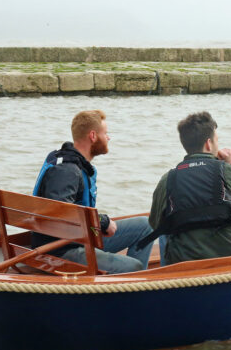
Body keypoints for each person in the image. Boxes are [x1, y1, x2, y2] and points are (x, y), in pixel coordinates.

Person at [32, 109, 153, 274]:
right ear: (93, 136)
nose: (108, 138)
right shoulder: (67, 171)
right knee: (133, 267)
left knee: (145, 226)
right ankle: (131, 287)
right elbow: (58, 215)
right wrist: (102, 222)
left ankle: (129, 285)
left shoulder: (70, 162)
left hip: (80, 238)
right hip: (62, 250)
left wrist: (97, 225)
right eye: (106, 133)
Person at [146, 111, 231, 265]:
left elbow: (155, 223)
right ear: (208, 144)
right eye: (216, 140)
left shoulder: (168, 179)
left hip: (184, 266)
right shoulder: (226, 170)